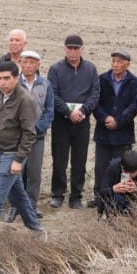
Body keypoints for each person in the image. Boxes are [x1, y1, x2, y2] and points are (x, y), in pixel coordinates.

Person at [0, 61, 44, 235]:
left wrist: (18, 160)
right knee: (19, 196)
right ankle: (36, 228)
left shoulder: (25, 100)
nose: (2, 82)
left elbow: (29, 134)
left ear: (16, 78)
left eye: (7, 78)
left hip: (12, 155)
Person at [47, 35, 99, 210]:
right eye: (69, 48)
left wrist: (82, 111)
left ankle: (76, 196)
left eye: (76, 48)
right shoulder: (55, 69)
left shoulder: (91, 69)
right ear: (65, 49)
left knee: (80, 160)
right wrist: (68, 113)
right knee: (59, 159)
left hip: (82, 122)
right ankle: (57, 193)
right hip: (61, 121)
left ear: (82, 49)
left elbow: (95, 94)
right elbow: (52, 95)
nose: (73, 51)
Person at [92, 50, 137, 200]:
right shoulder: (102, 79)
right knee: (101, 167)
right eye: (113, 61)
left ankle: (121, 197)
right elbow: (95, 102)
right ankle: (100, 196)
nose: (115, 64)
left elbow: (133, 107)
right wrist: (105, 118)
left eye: (119, 62)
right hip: (103, 132)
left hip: (123, 134)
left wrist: (118, 121)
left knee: (124, 167)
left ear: (127, 64)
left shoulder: (134, 82)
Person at [16, 50, 56, 210]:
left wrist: (38, 127)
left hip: (37, 137)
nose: (28, 65)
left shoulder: (45, 85)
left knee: (34, 172)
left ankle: (31, 205)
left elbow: (49, 110)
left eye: (32, 62)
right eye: (25, 62)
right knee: (17, 171)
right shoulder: (14, 83)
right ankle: (16, 205)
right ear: (20, 63)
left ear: (38, 65)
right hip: (18, 137)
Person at [100, 149, 137, 215]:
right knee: (117, 199)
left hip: (135, 204)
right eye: (124, 171)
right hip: (115, 200)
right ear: (121, 166)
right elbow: (101, 192)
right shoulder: (114, 166)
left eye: (131, 173)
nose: (127, 175)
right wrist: (113, 189)